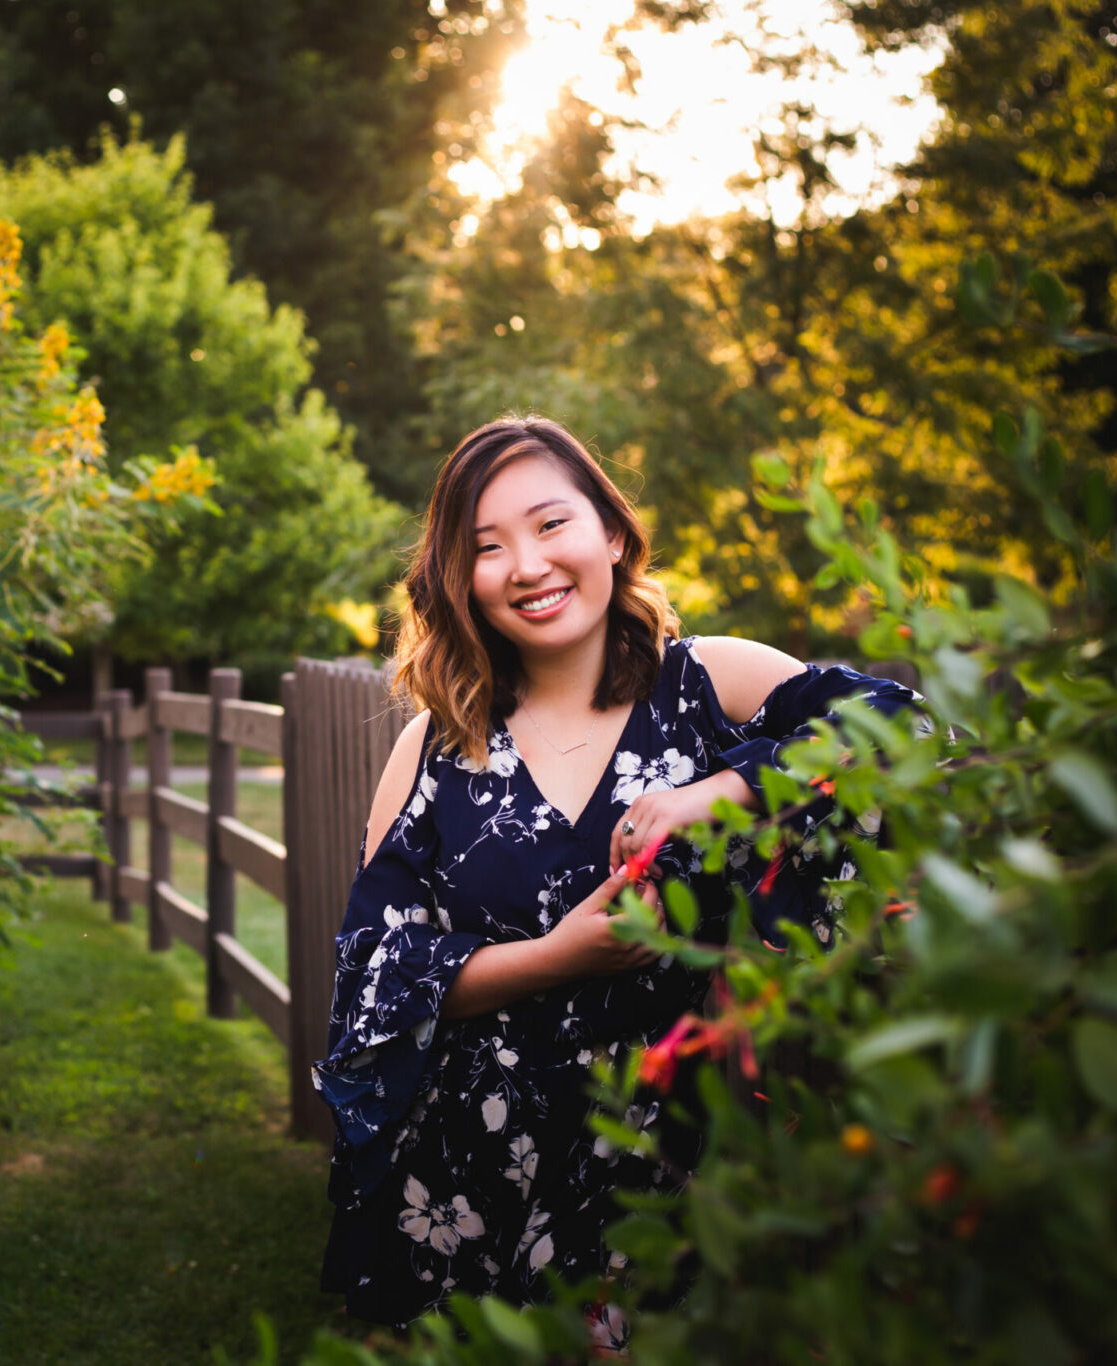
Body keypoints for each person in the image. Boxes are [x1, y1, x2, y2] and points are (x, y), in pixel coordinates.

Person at [312, 416, 917, 1337]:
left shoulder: (710, 686)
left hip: (661, 1166)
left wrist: (721, 790)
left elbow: (901, 733)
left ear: (612, 532)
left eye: (551, 524)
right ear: (458, 578)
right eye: (487, 546)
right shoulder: (436, 747)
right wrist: (560, 957)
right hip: (468, 1175)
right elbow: (375, 978)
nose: (526, 564)